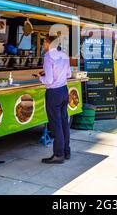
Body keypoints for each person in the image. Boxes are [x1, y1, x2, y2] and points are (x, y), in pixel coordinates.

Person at [38, 35, 72, 164]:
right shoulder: (63, 55)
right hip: (64, 90)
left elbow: (49, 80)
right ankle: (66, 151)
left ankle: (58, 155)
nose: (43, 45)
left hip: (53, 93)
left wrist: (40, 78)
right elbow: (68, 74)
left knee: (56, 124)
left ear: (48, 43)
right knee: (64, 122)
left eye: (44, 42)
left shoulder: (48, 57)